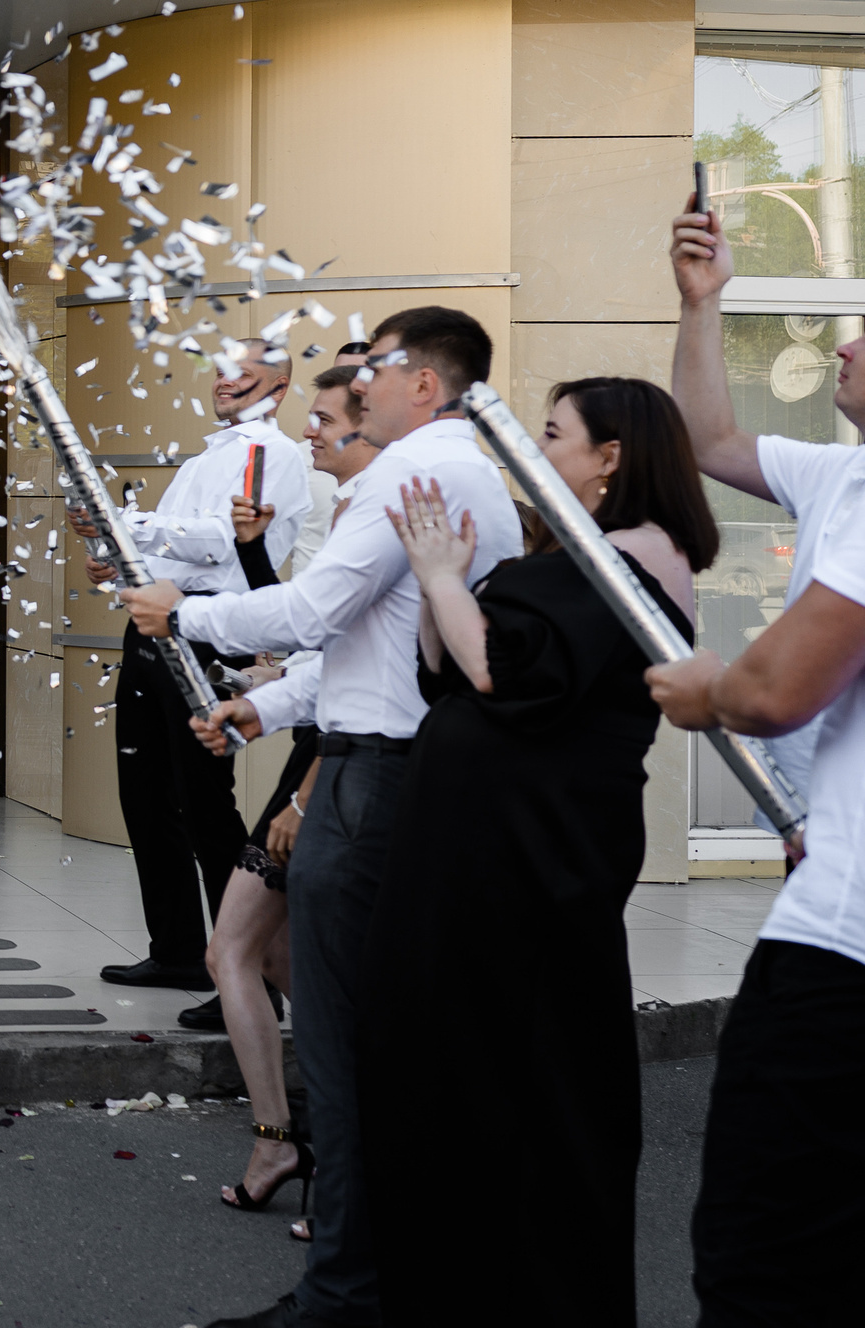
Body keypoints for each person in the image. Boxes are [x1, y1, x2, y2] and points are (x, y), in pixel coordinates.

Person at [123, 307, 521, 1328]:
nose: (349, 387)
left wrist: (187, 615)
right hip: (379, 759)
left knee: (343, 1044)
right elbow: (367, 644)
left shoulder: (407, 474)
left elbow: (311, 614)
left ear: (422, 382)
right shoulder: (446, 470)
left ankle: (347, 1291)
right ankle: (374, 1268)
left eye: (373, 368)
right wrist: (264, 706)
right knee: (354, 1021)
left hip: (375, 778)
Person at [363, 377, 712, 1326]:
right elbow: (456, 673)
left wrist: (441, 573)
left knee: (517, 1080)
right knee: (455, 1070)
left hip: (528, 861)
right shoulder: (585, 553)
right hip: (487, 853)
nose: (533, 450)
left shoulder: (640, 558)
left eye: (552, 435)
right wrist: (451, 576)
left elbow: (500, 674)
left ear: (612, 458)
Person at [658, 195, 865, 1324]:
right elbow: (708, 443)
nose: (842, 340)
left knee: (764, 1255)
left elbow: (779, 690)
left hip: (844, 949)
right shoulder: (841, 478)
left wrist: (708, 690)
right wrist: (704, 304)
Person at [185, 365, 378, 1222]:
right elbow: (315, 645)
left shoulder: (384, 512)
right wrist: (262, 701)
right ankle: (296, 1137)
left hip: (338, 766)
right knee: (252, 953)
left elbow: (327, 646)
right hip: (318, 746)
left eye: (324, 417)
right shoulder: (354, 509)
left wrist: (182, 616)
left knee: (252, 953)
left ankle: (327, 1143)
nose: (308, 432)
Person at [73, 346, 310, 992]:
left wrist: (132, 530)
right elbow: (176, 554)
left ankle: (242, 968)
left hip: (212, 631)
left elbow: (224, 540)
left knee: (205, 801)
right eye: (222, 368)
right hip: (155, 625)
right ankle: (177, 948)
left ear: (280, 388)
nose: (227, 381)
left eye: (248, 372)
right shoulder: (207, 457)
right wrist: (117, 557)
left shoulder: (275, 455)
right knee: (145, 793)